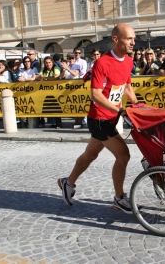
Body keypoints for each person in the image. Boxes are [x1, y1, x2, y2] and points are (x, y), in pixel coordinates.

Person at [57, 23, 139, 213]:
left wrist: (137, 105)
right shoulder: (102, 63)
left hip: (112, 117)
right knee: (123, 155)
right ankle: (119, 198)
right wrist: (119, 110)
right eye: (129, 38)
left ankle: (67, 183)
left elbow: (127, 86)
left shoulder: (128, 61)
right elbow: (96, 94)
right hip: (100, 119)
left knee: (90, 154)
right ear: (116, 40)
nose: (133, 42)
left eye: (134, 38)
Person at [37, 56, 61, 128]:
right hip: (46, 91)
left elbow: (56, 76)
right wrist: (41, 77)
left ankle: (58, 123)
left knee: (56, 107)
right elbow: (39, 77)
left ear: (52, 62)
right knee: (48, 107)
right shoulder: (43, 69)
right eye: (46, 63)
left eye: (49, 62)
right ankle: (52, 123)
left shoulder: (56, 68)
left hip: (56, 90)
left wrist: (45, 78)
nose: (48, 64)